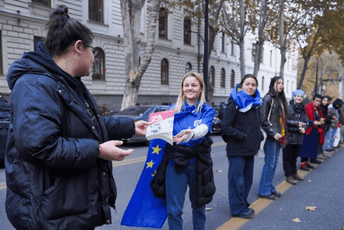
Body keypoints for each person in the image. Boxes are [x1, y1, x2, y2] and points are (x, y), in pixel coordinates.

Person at [5, 5, 150, 230]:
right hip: (48, 212)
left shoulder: (67, 83)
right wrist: (99, 150)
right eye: (94, 51)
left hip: (67, 207)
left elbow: (88, 125)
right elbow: (41, 147)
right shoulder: (35, 85)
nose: (94, 58)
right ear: (79, 47)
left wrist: (130, 126)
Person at [151, 72, 216, 230]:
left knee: (199, 207)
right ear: (182, 88)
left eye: (194, 85)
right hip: (175, 164)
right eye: (186, 85)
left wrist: (191, 134)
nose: (190, 88)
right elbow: (156, 135)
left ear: (201, 89)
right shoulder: (171, 111)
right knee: (174, 210)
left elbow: (204, 128)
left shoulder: (207, 110)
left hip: (199, 164)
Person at [221, 74, 263, 219]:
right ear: (241, 86)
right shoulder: (235, 102)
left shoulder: (255, 103)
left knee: (247, 180)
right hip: (237, 148)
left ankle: (242, 203)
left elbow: (253, 125)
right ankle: (237, 209)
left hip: (250, 148)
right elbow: (225, 127)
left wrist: (258, 136)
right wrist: (242, 136)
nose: (251, 87)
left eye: (253, 84)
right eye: (248, 84)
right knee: (236, 180)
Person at [258, 76, 288, 200]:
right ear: (273, 84)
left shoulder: (280, 99)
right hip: (271, 137)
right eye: (278, 83)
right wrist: (273, 133)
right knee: (269, 164)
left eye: (282, 83)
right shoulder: (268, 98)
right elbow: (263, 120)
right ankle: (264, 191)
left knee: (274, 164)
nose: (280, 85)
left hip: (279, 136)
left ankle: (269, 187)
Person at [282, 90, 308, 185]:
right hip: (289, 137)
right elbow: (284, 122)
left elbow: (306, 121)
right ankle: (288, 175)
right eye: (297, 96)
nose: (299, 98)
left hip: (298, 137)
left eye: (301, 96)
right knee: (287, 157)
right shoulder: (288, 108)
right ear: (293, 97)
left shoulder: (303, 109)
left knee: (294, 157)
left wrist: (304, 128)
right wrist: (297, 125)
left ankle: (294, 173)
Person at [299, 94, 324, 171]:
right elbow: (304, 119)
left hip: (314, 130)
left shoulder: (318, 109)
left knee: (311, 147)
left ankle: (306, 162)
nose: (318, 102)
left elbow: (320, 117)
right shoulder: (308, 107)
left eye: (319, 101)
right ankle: (302, 163)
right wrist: (312, 122)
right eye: (316, 100)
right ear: (313, 101)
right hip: (308, 129)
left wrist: (321, 121)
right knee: (305, 147)